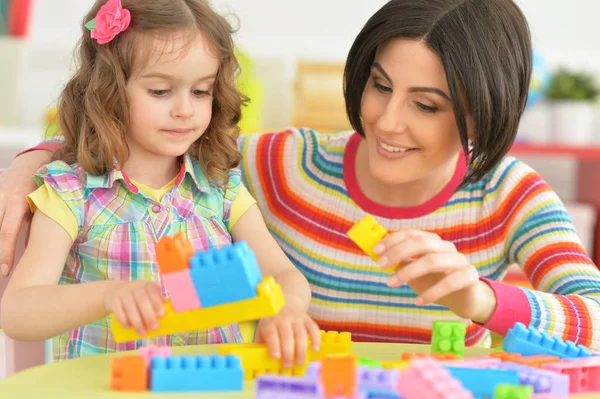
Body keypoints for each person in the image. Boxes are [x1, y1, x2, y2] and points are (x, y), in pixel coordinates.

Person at [2, 0, 600, 350]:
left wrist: (481, 299)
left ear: (483, 109)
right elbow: (148, 149)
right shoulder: (284, 165)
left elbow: (592, 317)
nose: (386, 123)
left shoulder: (511, 194)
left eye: (427, 105)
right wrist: (27, 167)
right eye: (380, 86)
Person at [0, 0, 320, 365]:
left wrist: (288, 310)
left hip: (215, 387)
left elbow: (282, 273)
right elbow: (18, 311)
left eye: (201, 91)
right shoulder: (73, 193)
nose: (185, 109)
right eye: (160, 91)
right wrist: (108, 295)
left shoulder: (221, 186)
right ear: (109, 91)